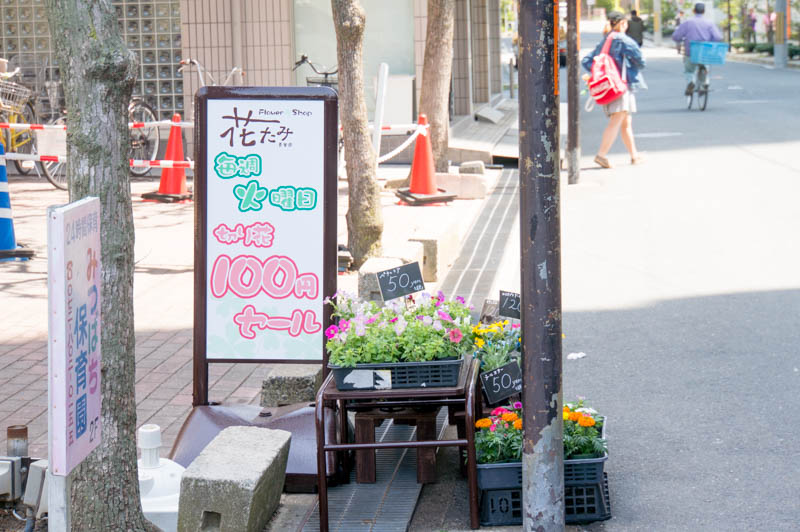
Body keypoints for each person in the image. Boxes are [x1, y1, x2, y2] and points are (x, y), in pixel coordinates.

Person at [582, 11, 646, 168]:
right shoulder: (623, 40)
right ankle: (601, 155)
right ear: (623, 23)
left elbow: (586, 61)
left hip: (610, 86)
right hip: (621, 87)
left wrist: (601, 75)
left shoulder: (606, 40)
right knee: (616, 121)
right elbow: (640, 60)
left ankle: (634, 156)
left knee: (625, 123)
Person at [671, 3, 722, 95]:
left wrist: (679, 39)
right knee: (704, 67)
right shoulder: (709, 23)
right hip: (705, 52)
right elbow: (718, 37)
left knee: (689, 70)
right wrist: (711, 41)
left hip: (690, 52)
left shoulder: (687, 22)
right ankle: (704, 83)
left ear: (694, 11)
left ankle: (691, 82)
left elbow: (676, 36)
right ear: (704, 11)